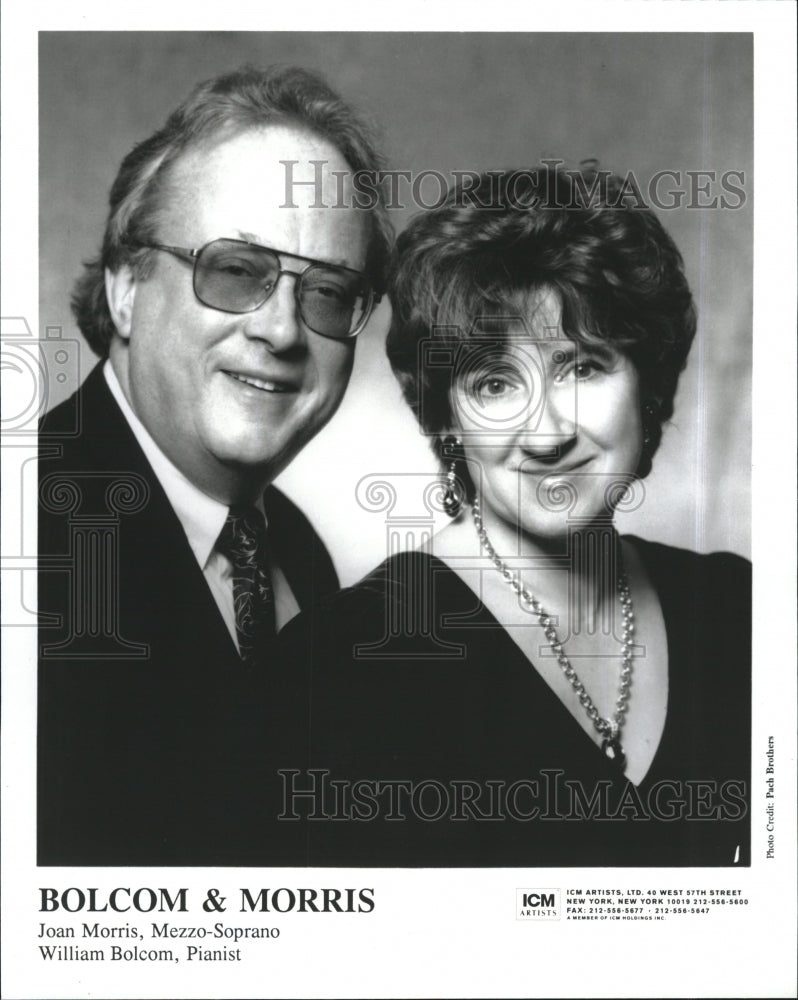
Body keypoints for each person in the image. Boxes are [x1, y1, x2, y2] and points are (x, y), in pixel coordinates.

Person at [280, 164, 751, 867]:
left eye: (583, 366)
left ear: (647, 387)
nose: (545, 432)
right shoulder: (341, 665)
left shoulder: (741, 613)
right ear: (445, 420)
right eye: (495, 382)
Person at [37, 66, 391, 865]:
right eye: (237, 270)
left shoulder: (292, 548)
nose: (282, 331)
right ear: (127, 288)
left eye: (329, 292)